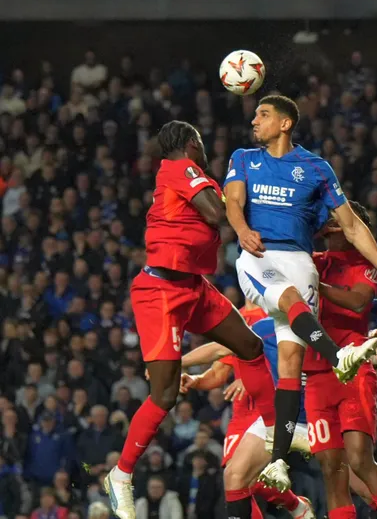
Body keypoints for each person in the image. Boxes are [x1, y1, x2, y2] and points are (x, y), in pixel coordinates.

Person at [224, 94, 377, 491]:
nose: (254, 121)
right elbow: (233, 201)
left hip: (301, 261)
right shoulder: (244, 157)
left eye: (263, 115)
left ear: (285, 124)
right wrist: (242, 231)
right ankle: (338, 355)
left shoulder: (315, 168)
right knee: (289, 301)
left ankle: (278, 461)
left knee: (291, 363)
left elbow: (352, 226)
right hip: (260, 256)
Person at [104, 120, 278, 519]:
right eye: (200, 143)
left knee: (249, 345)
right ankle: (121, 475)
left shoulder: (196, 176)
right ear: (190, 144)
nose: (204, 149)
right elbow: (217, 214)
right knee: (165, 395)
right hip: (162, 292)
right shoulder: (180, 167)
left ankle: (273, 436)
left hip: (193, 287)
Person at [302, 202, 377, 519]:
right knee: (332, 468)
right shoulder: (314, 262)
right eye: (328, 221)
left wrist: (316, 284)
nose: (329, 226)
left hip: (353, 370)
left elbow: (359, 302)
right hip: (316, 376)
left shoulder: (366, 264)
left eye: (336, 221)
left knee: (360, 459)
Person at [180, 318, 315, 519]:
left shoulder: (278, 314)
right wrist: (197, 380)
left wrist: (252, 377)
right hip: (243, 410)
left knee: (244, 478)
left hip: (272, 405)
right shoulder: (239, 319)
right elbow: (219, 372)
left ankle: (296, 506)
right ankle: (296, 506)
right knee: (237, 478)